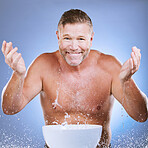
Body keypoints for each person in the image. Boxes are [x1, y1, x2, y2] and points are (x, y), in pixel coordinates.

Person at [1, 9, 147, 148]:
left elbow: (141, 115)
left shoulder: (109, 66)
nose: (74, 46)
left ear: (91, 39)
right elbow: (9, 108)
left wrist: (127, 82)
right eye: (67, 38)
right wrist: (18, 75)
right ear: (58, 37)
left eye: (81, 39)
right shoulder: (43, 64)